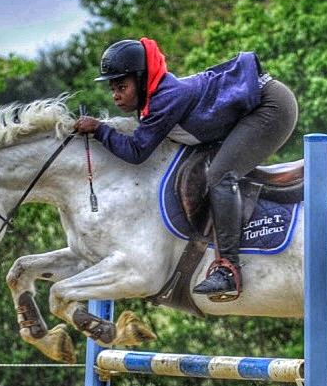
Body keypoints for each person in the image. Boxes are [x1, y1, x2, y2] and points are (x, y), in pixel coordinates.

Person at [74, 37, 299, 300]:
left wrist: (99, 129)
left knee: (219, 176)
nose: (116, 96)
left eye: (122, 86)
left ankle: (228, 271)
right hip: (257, 104)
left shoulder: (165, 99)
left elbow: (136, 152)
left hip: (271, 107)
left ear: (142, 79)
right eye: (113, 89)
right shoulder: (155, 99)